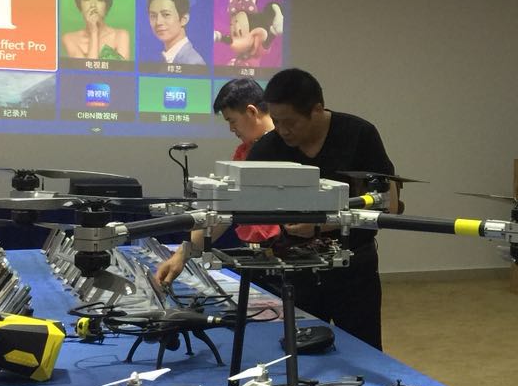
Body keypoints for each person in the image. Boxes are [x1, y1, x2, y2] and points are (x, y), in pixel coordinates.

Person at [245, 68, 398, 350]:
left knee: (363, 351)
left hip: (354, 269)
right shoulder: (270, 146)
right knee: (301, 351)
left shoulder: (359, 134)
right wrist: (187, 250)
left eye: (290, 122)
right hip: (296, 271)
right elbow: (230, 200)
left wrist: (321, 225)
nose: (283, 130)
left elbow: (388, 202)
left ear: (317, 109)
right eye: (276, 121)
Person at [155, 78, 279, 287]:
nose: (231, 129)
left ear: (251, 112)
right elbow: (221, 208)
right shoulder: (244, 152)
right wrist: (183, 254)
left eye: (232, 120)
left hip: (284, 255)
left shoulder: (285, 146)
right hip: (255, 255)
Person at [61, 0, 131, 61]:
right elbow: (87, 69)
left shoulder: (120, 36)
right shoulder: (69, 38)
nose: (93, 5)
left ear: (107, 5)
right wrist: (94, 32)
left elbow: (122, 69)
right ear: (79, 4)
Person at [146, 0, 206, 66]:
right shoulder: (165, 58)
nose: (158, 22)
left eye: (166, 14)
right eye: (153, 16)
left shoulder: (193, 63)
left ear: (184, 19)